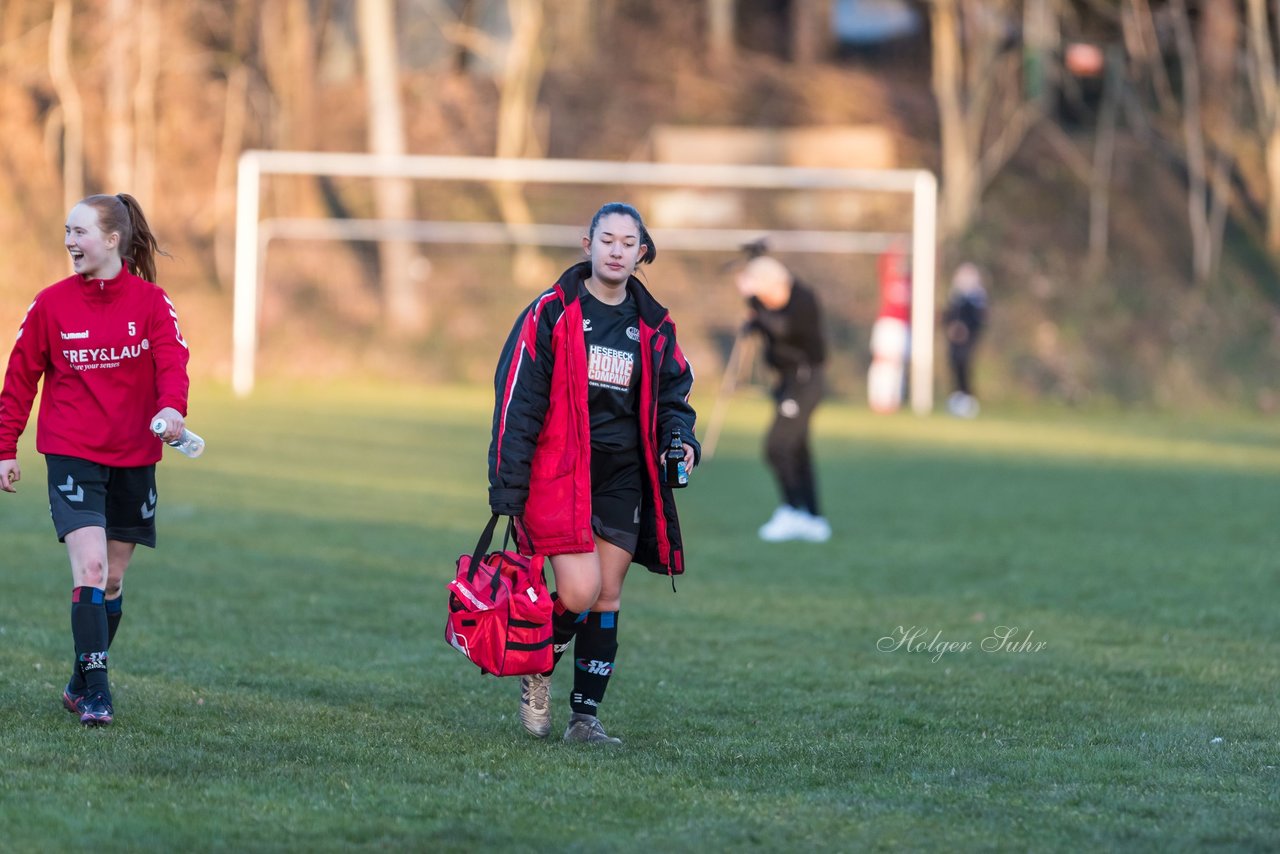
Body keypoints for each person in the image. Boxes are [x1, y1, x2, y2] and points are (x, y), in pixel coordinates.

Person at [488, 202, 699, 746]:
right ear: (588, 245)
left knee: (607, 593)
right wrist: (508, 484)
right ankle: (538, 671)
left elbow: (675, 396)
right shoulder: (552, 312)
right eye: (607, 239)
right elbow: (519, 399)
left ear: (641, 253)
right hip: (561, 471)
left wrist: (681, 441)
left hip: (624, 474)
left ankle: (585, 719)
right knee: (578, 592)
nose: (616, 250)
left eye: (629, 243)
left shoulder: (653, 325)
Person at [0, 193, 191, 727]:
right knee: (90, 567)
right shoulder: (50, 304)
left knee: (111, 581)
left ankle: (79, 680)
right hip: (71, 453)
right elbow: (19, 380)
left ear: (113, 240)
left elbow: (173, 362)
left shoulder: (152, 302)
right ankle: (98, 695)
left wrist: (172, 408)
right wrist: (4, 448)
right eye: (67, 231)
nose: (69, 241)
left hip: (134, 454)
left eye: (79, 232)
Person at [735, 255, 830, 543]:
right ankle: (813, 518)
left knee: (777, 447)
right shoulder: (771, 304)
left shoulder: (803, 300)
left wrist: (755, 310)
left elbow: (782, 328)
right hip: (788, 381)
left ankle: (793, 510)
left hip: (805, 381)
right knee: (797, 449)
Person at [942, 262, 988, 418]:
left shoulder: (977, 298)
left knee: (965, 366)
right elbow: (948, 316)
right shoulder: (955, 297)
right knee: (954, 365)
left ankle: (968, 400)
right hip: (954, 341)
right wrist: (951, 327)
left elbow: (979, 321)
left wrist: (966, 330)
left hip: (968, 341)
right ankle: (956, 398)